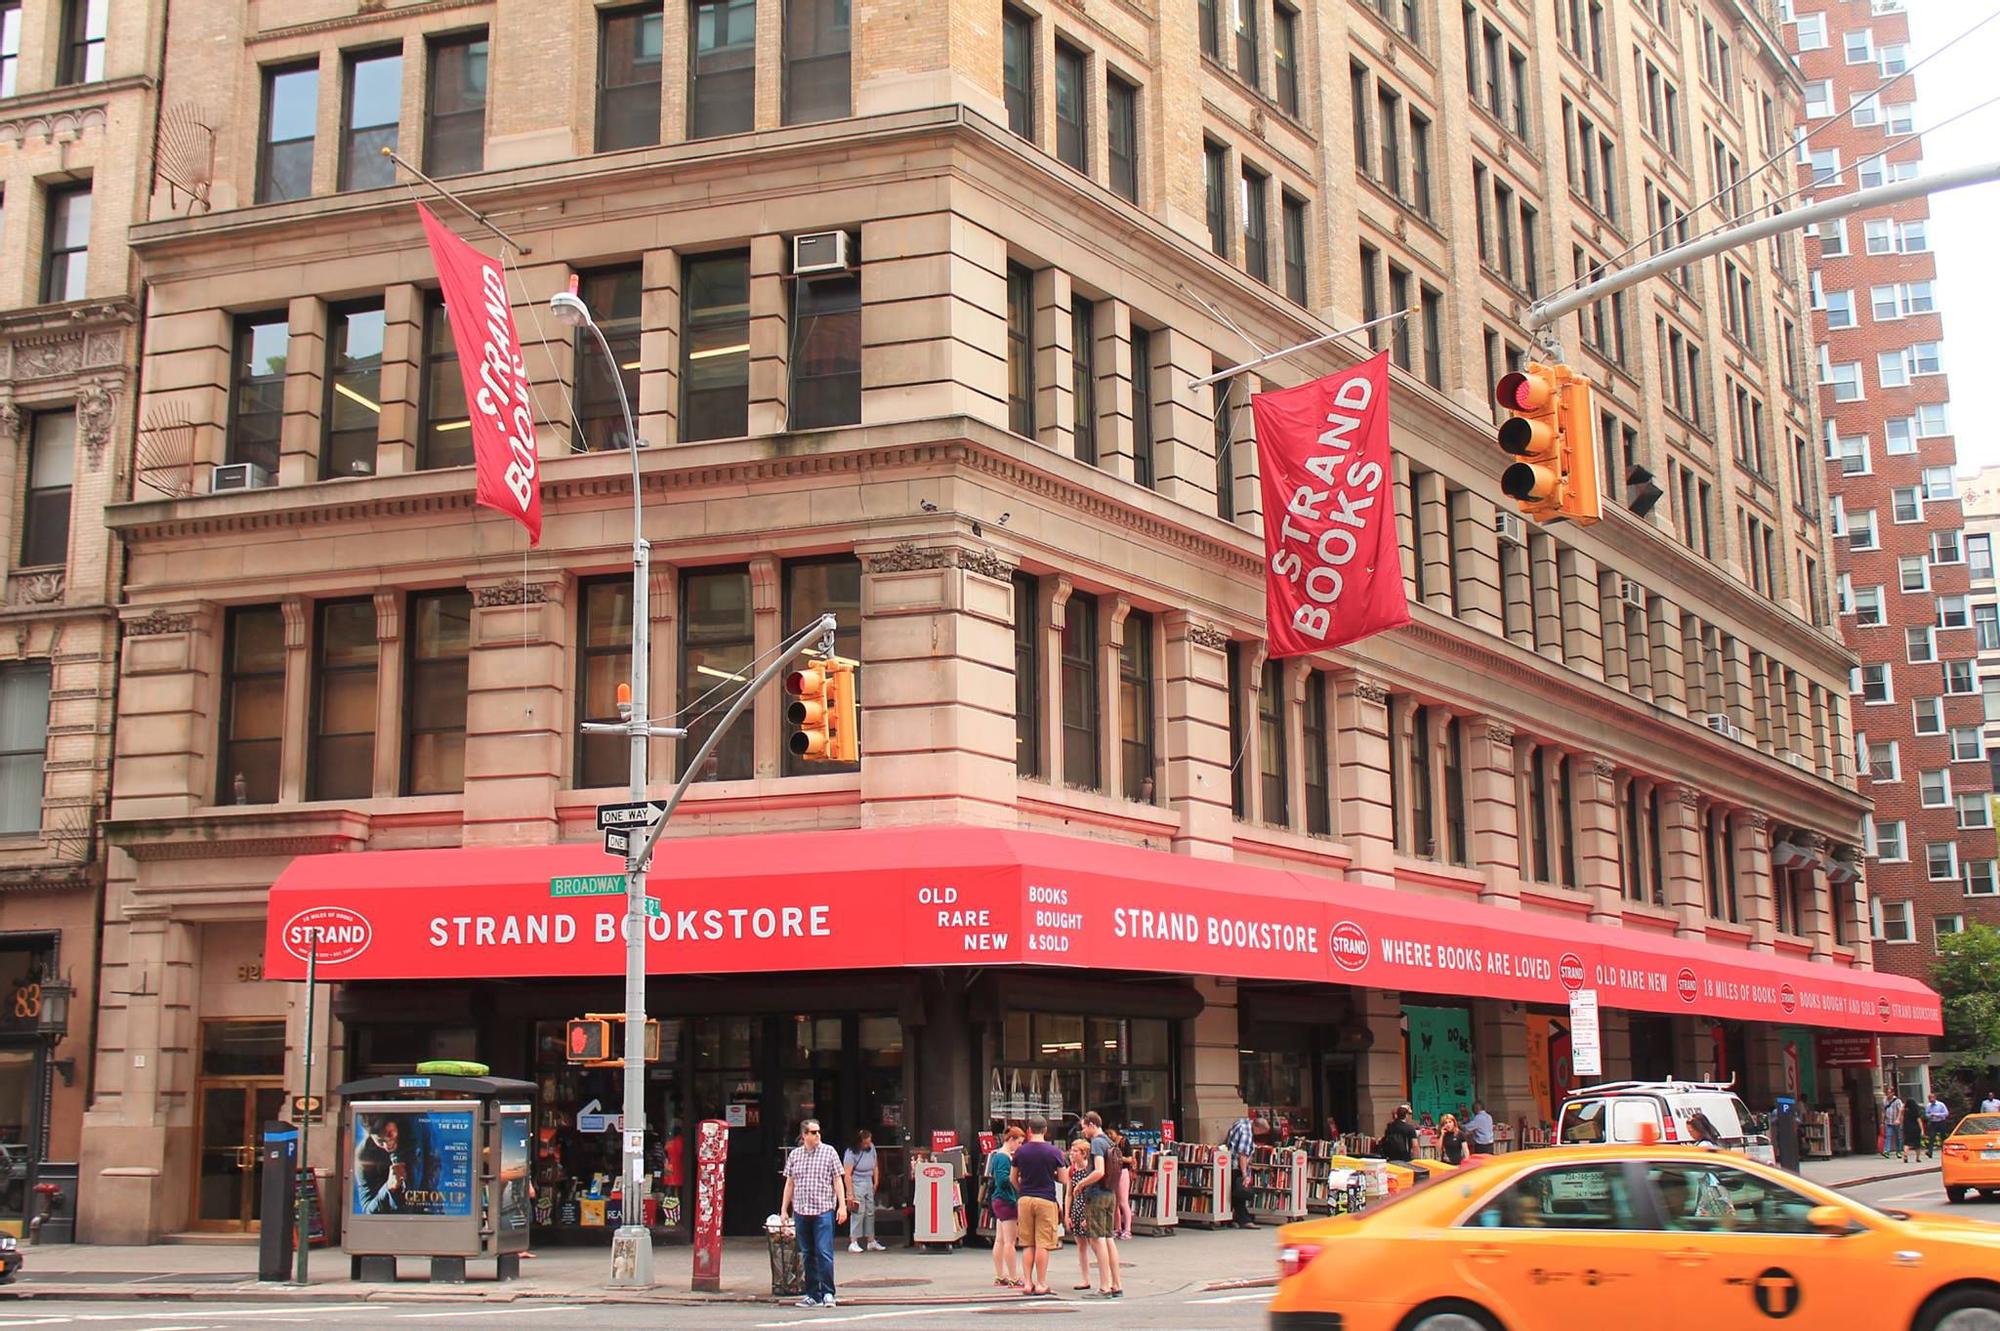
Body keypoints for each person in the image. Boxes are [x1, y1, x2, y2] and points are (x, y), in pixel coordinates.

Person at [780, 1119, 849, 1309]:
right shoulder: (795, 1155)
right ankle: (812, 1294)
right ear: (804, 1135)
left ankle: (828, 1292)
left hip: (823, 1210)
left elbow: (837, 1180)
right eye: (813, 1132)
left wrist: (842, 1206)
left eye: (818, 1131)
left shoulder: (829, 1152)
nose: (817, 1135)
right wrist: (784, 1209)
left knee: (824, 1252)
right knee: (808, 1253)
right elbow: (790, 1183)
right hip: (801, 1210)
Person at [1009, 1119, 1069, 1297]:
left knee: (1027, 1243)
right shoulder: (1054, 1151)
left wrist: (1023, 1191)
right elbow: (1064, 1179)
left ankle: (1027, 1283)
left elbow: (1013, 1178)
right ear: (1045, 1130)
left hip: (1025, 1199)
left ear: (1029, 1130)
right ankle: (1041, 1283)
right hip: (1046, 1199)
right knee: (1043, 1243)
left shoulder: (1020, 1151)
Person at [1079, 1113, 1123, 1298]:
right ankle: (1116, 1284)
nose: (1083, 1131)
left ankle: (1104, 1286)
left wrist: (1081, 1184)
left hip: (1097, 1194)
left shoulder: (1097, 1142)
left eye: (1084, 1127)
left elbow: (1099, 1171)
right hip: (1110, 1193)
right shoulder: (1110, 1142)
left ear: (1091, 1124)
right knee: (1108, 1238)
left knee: (1098, 1239)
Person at [988, 1127, 1024, 1289]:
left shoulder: (997, 1155)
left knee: (1000, 1239)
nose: (1020, 1146)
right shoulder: (1004, 1157)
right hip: (1006, 1200)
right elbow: (1003, 1179)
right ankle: (1013, 1277)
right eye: (1019, 1142)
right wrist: (1017, 1181)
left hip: (998, 1199)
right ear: (1011, 1140)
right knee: (1010, 1241)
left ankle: (1000, 1275)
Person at [843, 1129, 885, 1254]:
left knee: (870, 1211)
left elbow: (875, 1165)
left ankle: (871, 1240)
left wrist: (876, 1181)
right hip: (857, 1182)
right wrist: (850, 1193)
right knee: (858, 1212)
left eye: (869, 1142)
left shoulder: (871, 1148)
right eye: (865, 1143)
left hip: (868, 1181)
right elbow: (847, 1174)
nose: (868, 1145)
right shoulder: (851, 1152)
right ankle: (853, 1241)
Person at [1066, 1137, 1097, 1293]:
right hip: (1076, 1209)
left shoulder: (1089, 1171)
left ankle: (1106, 1274)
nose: (1072, 1153)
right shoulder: (1071, 1170)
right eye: (1072, 1150)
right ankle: (1085, 1278)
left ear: (1084, 1153)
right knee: (1081, 1246)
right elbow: (1069, 1194)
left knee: (1095, 1243)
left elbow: (1092, 1194)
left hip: (1087, 1208)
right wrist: (1067, 1215)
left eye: (1075, 1151)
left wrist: (1088, 1215)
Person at [1226, 1113, 1258, 1229]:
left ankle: (1231, 1219)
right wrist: (1245, 1174)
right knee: (1239, 1194)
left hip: (1228, 1164)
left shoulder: (1241, 1122)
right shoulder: (1247, 1133)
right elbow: (1243, 1154)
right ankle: (1244, 1220)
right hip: (1236, 1166)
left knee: (1232, 1194)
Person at [1110, 1128, 1134, 1241]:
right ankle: (1117, 1228)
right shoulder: (1109, 1142)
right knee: (1115, 1202)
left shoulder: (1124, 1142)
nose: (1110, 1135)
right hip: (1113, 1172)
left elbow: (1130, 1159)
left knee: (1124, 1201)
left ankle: (1128, 1229)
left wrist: (1118, 1158)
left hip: (1123, 1171)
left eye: (1111, 1132)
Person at [1926, 1093, 1951, 1158]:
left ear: (1935, 1098)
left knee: (1943, 1136)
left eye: (1932, 1098)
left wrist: (1937, 1114)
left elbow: (1946, 1113)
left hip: (1941, 1122)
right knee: (1931, 1137)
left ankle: (1945, 1151)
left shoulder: (1941, 1105)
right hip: (1933, 1122)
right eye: (1929, 1099)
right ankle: (1929, 1152)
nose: (1931, 1100)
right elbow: (1926, 1114)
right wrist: (1929, 1115)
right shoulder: (1928, 1106)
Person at [1902, 1093, 1925, 1165]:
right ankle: (1917, 1158)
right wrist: (1922, 1130)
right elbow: (1919, 1121)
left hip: (1907, 1128)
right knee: (1917, 1143)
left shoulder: (1905, 1112)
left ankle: (1905, 1155)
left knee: (1907, 1143)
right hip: (1915, 1128)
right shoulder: (1915, 1111)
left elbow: (1903, 1119)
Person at [1883, 1091, 1905, 1158]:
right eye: (1887, 1093)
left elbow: (1901, 1110)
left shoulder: (1897, 1101)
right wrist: (1882, 1121)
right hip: (1888, 1121)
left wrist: (1898, 1119)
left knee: (1898, 1137)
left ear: (1893, 1093)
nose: (1888, 1094)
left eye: (1889, 1093)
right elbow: (1883, 1110)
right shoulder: (1885, 1100)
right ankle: (1886, 1151)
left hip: (1896, 1122)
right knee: (1888, 1135)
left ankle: (1898, 1151)